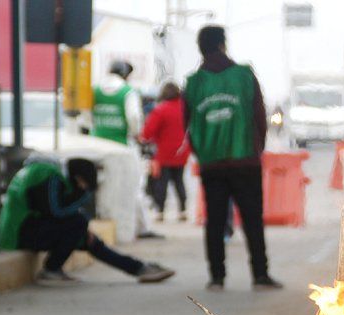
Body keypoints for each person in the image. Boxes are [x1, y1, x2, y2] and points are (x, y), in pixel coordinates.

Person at [184, 25, 282, 291]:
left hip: (211, 163)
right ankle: (260, 275)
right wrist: (255, 150)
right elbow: (259, 116)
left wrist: (203, 151)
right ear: (223, 45)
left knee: (214, 220)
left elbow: (188, 123)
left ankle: (217, 277)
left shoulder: (194, 83)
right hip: (244, 160)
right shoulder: (243, 75)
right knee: (252, 219)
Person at [0, 157, 175, 286]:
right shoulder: (50, 177)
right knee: (79, 224)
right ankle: (51, 269)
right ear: (78, 179)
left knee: (86, 237)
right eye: (84, 185)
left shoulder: (46, 172)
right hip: (17, 235)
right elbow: (55, 211)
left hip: (27, 229)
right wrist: (82, 197)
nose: (84, 190)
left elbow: (51, 213)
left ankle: (138, 268)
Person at [92, 60, 162, 239]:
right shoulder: (127, 92)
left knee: (101, 188)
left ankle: (109, 222)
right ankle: (138, 228)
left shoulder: (95, 90)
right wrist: (136, 133)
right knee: (132, 187)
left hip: (97, 145)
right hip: (122, 146)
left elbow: (86, 117)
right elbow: (134, 118)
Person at [141, 82, 191, 222]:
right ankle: (182, 210)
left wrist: (143, 138)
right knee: (179, 182)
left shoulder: (160, 110)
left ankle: (160, 211)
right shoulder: (186, 109)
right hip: (182, 152)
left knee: (161, 183)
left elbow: (148, 131)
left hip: (163, 153)